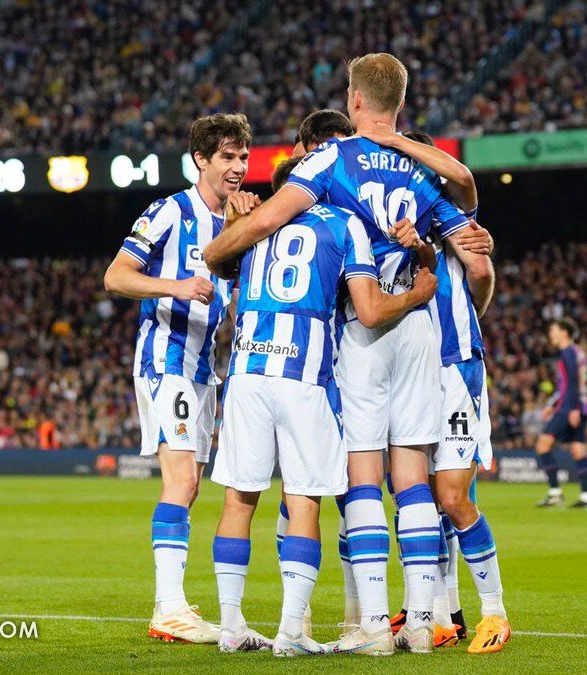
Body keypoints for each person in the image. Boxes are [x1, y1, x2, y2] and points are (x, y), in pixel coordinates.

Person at [206, 53, 489, 655]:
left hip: (361, 330)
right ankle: (419, 622)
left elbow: (273, 220)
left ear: (355, 100)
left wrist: (220, 246)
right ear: (400, 104)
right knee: (412, 477)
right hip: (419, 329)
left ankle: (373, 627)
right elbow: (463, 208)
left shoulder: (330, 160)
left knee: (364, 480)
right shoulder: (419, 172)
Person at [206, 157, 436, 656]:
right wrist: (418, 293)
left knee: (238, 499)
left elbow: (218, 262)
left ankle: (229, 626)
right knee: (304, 498)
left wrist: (232, 219)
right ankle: (290, 633)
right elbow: (371, 311)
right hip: (303, 378)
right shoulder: (343, 222)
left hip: (246, 373)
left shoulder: (255, 220)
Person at [103, 112, 258, 644]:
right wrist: (175, 286)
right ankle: (168, 608)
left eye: (244, 157)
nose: (239, 167)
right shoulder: (170, 212)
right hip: (165, 362)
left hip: (202, 371)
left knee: (190, 489)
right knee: (184, 481)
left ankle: (173, 603)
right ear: (201, 160)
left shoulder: (239, 220)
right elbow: (116, 276)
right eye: (228, 157)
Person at [363, 128, 506, 652]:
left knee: (450, 494)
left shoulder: (444, 210)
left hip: (453, 367)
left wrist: (470, 324)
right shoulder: (383, 222)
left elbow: (481, 267)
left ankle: (495, 611)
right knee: (416, 493)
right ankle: (444, 613)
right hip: (411, 366)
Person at [535, 318, 587, 508]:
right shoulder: (576, 352)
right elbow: (568, 385)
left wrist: (573, 408)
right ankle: (586, 497)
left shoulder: (569, 353)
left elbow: (573, 385)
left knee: (543, 445)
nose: (550, 334)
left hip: (571, 408)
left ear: (564, 332)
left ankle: (555, 493)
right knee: (578, 449)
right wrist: (553, 404)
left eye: (553, 331)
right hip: (580, 407)